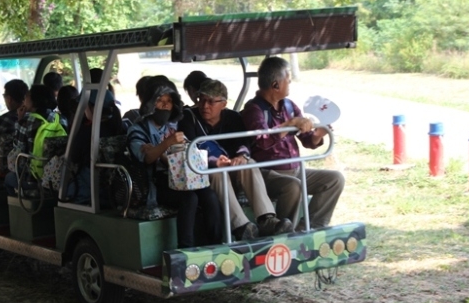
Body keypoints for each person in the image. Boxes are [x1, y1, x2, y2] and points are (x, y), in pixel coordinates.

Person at [178, 79, 293, 239]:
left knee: (249, 164)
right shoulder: (188, 118)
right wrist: (214, 162)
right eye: (202, 100)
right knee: (219, 172)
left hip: (231, 167)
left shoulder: (232, 118)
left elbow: (243, 143)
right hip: (204, 173)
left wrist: (241, 156)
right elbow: (190, 149)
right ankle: (241, 226)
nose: (205, 106)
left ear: (223, 104)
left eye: (211, 102)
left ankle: (267, 219)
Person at [241, 56, 344, 230]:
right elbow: (262, 142)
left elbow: (308, 140)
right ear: (276, 85)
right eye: (288, 81)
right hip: (268, 173)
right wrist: (288, 124)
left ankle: (308, 228)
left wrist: (318, 134)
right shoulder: (254, 110)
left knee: (335, 179)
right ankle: (283, 232)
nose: (290, 84)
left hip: (295, 170)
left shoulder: (289, 106)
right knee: (293, 186)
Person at [127, 80, 222, 248]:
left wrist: (163, 152)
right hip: (154, 184)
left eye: (169, 101)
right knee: (189, 198)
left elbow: (184, 154)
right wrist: (166, 145)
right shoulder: (138, 129)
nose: (164, 105)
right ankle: (186, 250)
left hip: (180, 179)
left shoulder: (171, 128)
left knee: (209, 194)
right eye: (159, 100)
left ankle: (217, 244)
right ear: (150, 103)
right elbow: (147, 158)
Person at [4, 84, 59, 196]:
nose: (24, 99)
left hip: (34, 178)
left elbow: (16, 155)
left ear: (34, 100)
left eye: (27, 96)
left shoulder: (27, 120)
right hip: (56, 176)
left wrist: (19, 121)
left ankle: (17, 210)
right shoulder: (59, 119)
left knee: (8, 178)